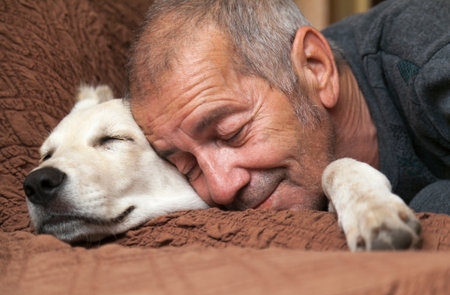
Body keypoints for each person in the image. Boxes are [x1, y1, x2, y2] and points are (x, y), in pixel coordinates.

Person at [128, 0, 449, 214]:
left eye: (232, 133)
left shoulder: (430, 60)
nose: (221, 189)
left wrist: (425, 204)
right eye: (189, 168)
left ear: (316, 68)